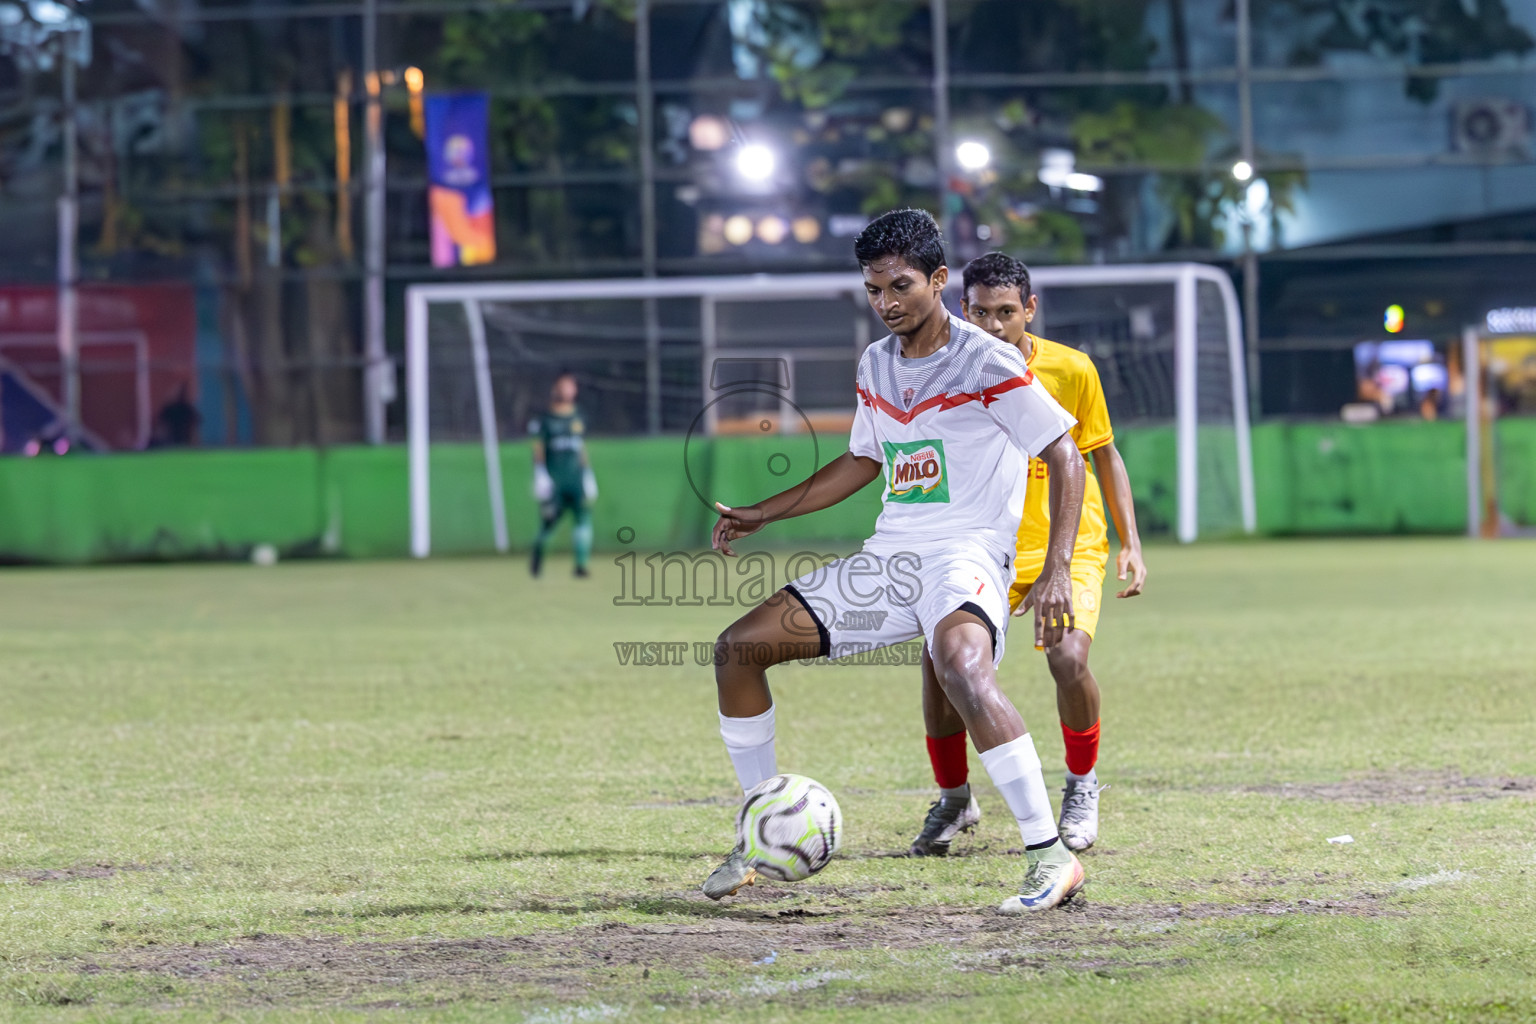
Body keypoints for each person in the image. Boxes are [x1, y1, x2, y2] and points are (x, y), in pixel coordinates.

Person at [703, 209, 1090, 914]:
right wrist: (765, 511)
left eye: (901, 286)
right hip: (890, 559)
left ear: (939, 280)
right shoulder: (876, 363)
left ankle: (1050, 855)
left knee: (962, 663)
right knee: (737, 650)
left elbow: (1064, 454)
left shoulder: (986, 360)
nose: (886, 302)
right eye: (873, 288)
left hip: (967, 553)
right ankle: (760, 835)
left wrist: (1058, 566)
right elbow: (862, 461)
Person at [910, 253, 1148, 859]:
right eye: (982, 313)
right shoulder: (944, 370)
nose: (994, 326)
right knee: (941, 665)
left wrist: (1131, 542)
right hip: (985, 546)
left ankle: (1082, 785)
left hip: (1068, 544)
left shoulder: (1071, 369)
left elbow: (1102, 455)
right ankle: (955, 799)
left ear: (1030, 310)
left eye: (1007, 313)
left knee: (1068, 657)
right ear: (963, 309)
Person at [528, 372, 597, 578]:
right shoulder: (545, 420)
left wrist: (588, 473)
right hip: (554, 480)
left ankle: (581, 565)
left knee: (583, 520)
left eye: (571, 386)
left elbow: (582, 448)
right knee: (548, 523)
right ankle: (537, 558)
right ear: (556, 389)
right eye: (564, 386)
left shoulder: (579, 417)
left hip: (576, 479)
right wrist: (540, 474)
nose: (568, 390)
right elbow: (538, 449)